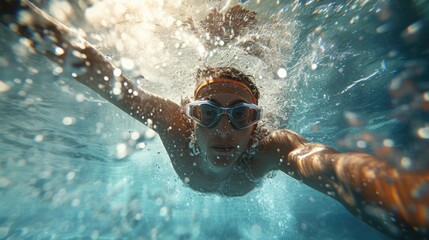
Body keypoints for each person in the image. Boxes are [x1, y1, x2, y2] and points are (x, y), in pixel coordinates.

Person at [1, 1, 428, 239]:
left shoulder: (269, 146)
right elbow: (102, 76)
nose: (224, 130)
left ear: (257, 123)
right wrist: (23, 16)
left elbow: (327, 163)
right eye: (208, 114)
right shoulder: (172, 123)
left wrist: (407, 199)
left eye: (242, 116)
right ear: (191, 115)